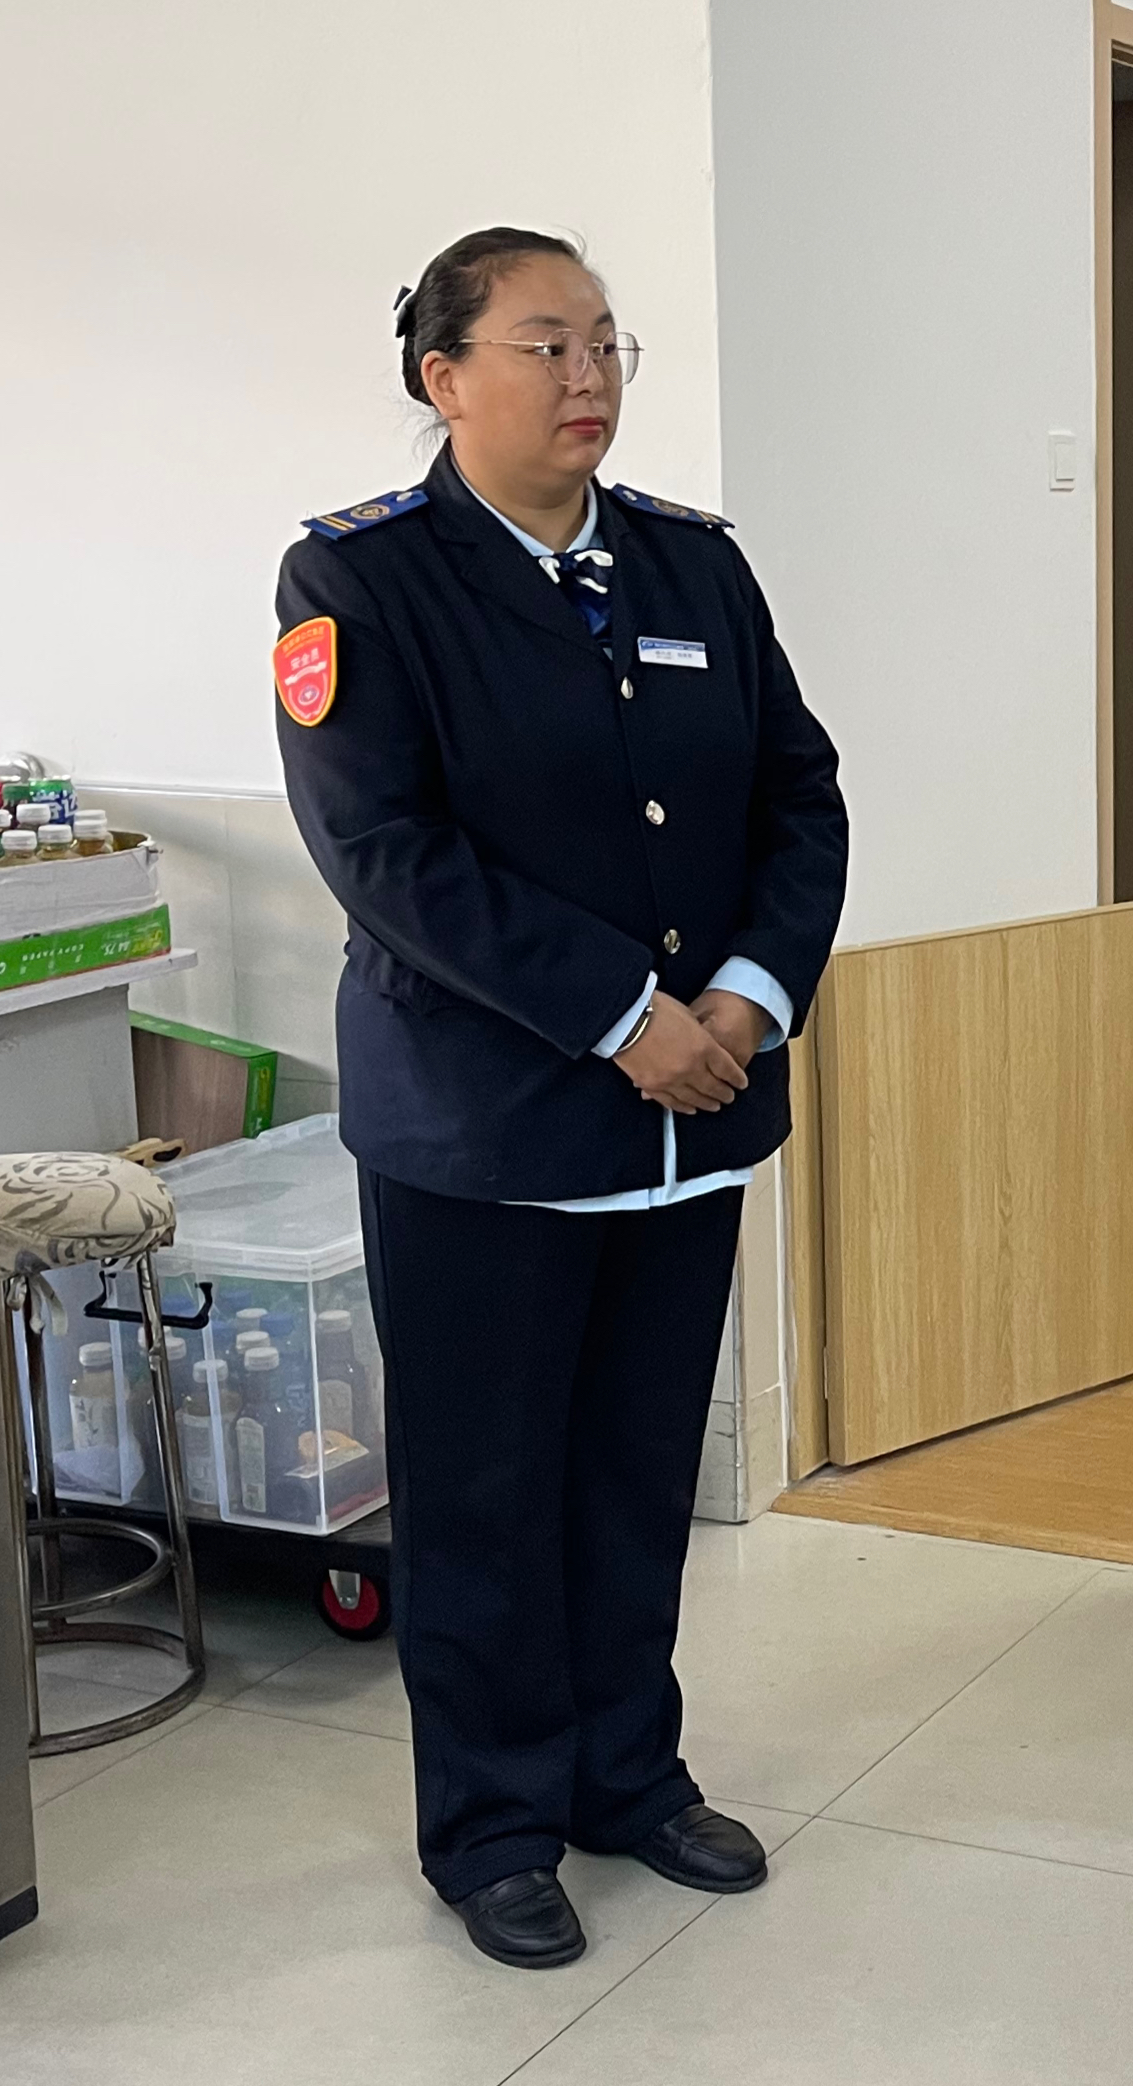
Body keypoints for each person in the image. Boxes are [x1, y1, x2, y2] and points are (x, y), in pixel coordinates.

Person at [273, 226, 848, 1968]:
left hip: (685, 1125)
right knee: (484, 1495)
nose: (587, 376)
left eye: (605, 343)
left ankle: (625, 1773)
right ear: (442, 376)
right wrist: (620, 1018)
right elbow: (385, 853)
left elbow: (798, 796)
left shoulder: (689, 564)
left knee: (631, 1473)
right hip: (485, 1134)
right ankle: (495, 1824)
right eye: (545, 344)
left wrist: (745, 996)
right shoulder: (360, 580)